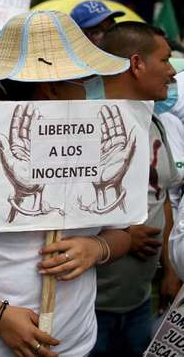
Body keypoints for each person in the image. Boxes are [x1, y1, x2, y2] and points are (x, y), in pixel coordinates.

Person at [0, 10, 133, 356]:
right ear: (52, 89)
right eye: (87, 79)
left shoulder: (102, 148)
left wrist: (96, 248)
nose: (96, 88)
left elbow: (122, 233)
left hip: (72, 342)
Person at [89, 22, 180, 356]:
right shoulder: (84, 128)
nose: (173, 72)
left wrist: (170, 270)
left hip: (141, 304)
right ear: (137, 64)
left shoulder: (156, 123)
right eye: (165, 60)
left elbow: (163, 197)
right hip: (89, 311)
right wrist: (124, 235)